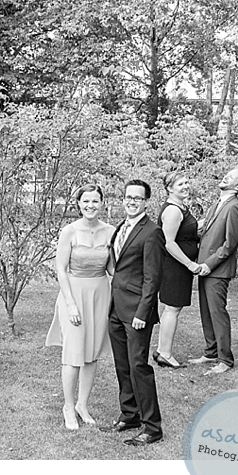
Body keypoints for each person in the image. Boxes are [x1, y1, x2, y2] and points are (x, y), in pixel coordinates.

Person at [100, 179, 164, 446]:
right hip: (117, 308)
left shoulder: (152, 232)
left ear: (146, 201)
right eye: (128, 197)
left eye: (137, 198)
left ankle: (153, 427)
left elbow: (152, 278)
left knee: (139, 366)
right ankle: (129, 415)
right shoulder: (121, 227)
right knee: (122, 364)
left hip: (137, 312)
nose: (132, 201)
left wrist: (142, 313)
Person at [45, 184, 114, 429]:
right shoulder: (70, 231)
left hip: (100, 294)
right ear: (78, 203)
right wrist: (71, 304)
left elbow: (112, 268)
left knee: (92, 353)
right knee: (73, 354)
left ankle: (82, 405)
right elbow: (61, 269)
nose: (90, 206)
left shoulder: (110, 231)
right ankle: (68, 406)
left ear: (102, 203)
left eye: (95, 201)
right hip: (73, 293)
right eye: (86, 201)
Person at [188, 166, 238, 376]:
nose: (225, 177)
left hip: (217, 270)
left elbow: (230, 244)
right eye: (227, 174)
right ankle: (211, 352)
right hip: (204, 267)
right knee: (206, 312)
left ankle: (225, 360)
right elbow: (205, 233)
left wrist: (209, 264)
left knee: (217, 313)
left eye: (231, 177)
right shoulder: (217, 203)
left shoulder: (235, 207)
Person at [154, 172, 200, 369]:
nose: (185, 186)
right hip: (175, 266)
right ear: (169, 188)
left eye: (187, 182)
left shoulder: (180, 207)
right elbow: (169, 243)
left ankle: (161, 350)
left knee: (171, 308)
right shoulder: (173, 210)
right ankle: (165, 354)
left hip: (177, 266)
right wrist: (189, 264)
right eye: (180, 184)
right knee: (172, 308)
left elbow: (183, 232)